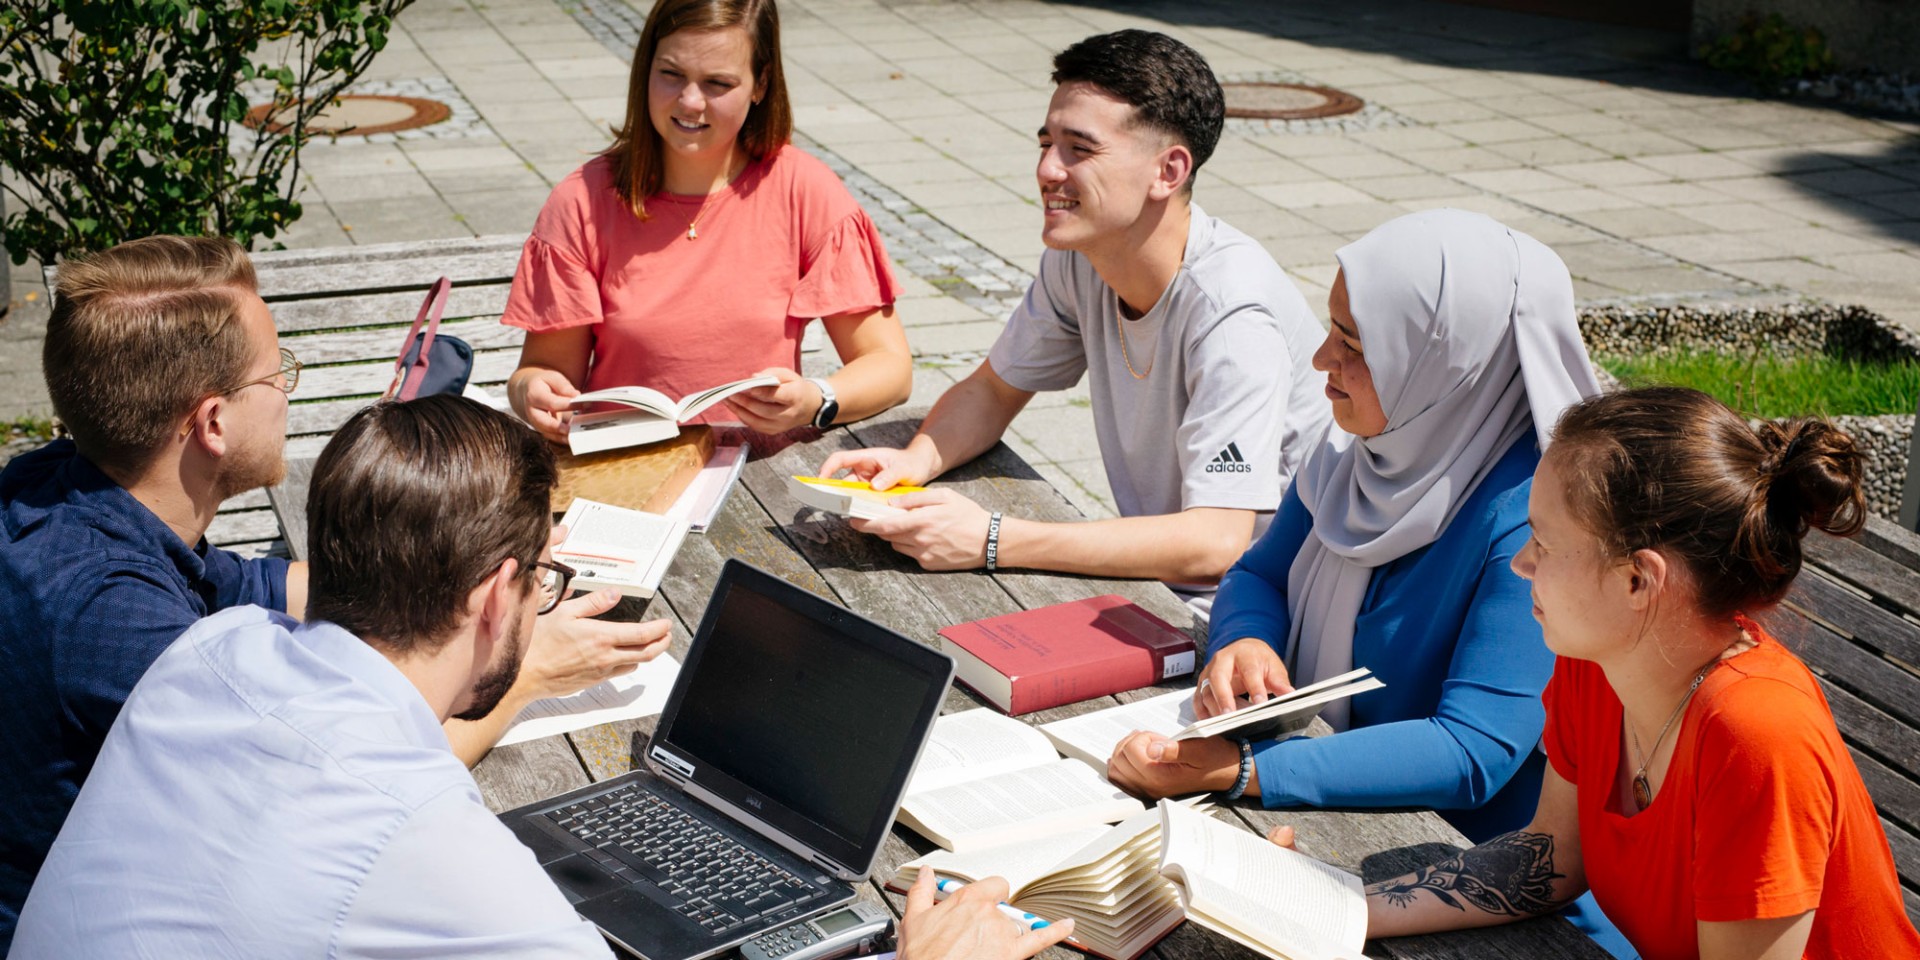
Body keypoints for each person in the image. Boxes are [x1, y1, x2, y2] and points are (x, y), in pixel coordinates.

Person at [12, 396, 1077, 960]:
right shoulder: (432, 847)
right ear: (493, 598)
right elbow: (384, 825)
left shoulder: (212, 653)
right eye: (543, 581)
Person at [0, 236, 669, 950]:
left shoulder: (64, 491)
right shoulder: (123, 630)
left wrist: (458, 558)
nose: (288, 389)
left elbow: (253, 582)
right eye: (275, 373)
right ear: (213, 423)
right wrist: (524, 666)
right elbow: (346, 778)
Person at [1268, 386, 1920, 959]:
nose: (1521, 563)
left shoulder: (1758, 735)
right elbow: (1551, 858)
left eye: (1545, 543)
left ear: (1639, 579)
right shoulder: (1599, 662)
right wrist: (1339, 904)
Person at [1105, 209, 1598, 847]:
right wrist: (1247, 642)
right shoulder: (1361, 450)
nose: (1319, 359)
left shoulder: (1541, 520)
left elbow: (1473, 750)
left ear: (1447, 366)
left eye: (1354, 345)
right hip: (1326, 813)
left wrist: (1245, 771)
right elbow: (1259, 573)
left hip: (1459, 857)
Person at [817, 30, 1329, 598]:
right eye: (1046, 142)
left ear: (1169, 171)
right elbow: (991, 390)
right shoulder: (1084, 255)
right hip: (1171, 584)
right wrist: (909, 464)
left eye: (1078, 150)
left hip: (1264, 612)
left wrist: (991, 539)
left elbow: (1218, 543)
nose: (1047, 170)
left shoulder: (1232, 313)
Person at [505, 0, 911, 442]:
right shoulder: (583, 199)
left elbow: (889, 366)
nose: (690, 102)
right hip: (620, 466)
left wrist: (815, 399)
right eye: (671, 74)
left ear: (761, 85)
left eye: (717, 83)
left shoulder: (804, 188)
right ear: (645, 69)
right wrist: (530, 389)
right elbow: (544, 370)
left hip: (761, 471)